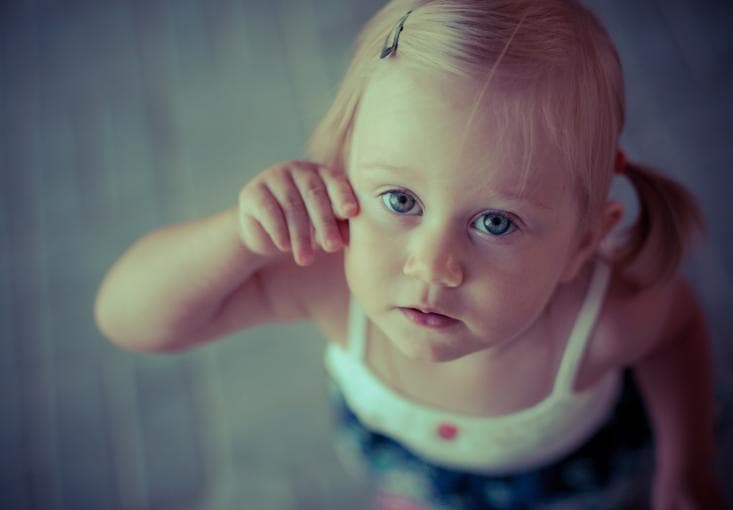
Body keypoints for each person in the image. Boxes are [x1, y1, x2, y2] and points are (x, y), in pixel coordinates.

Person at [94, 1, 726, 508]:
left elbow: (675, 334)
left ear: (582, 243)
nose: (432, 265)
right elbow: (130, 322)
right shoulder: (325, 280)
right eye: (399, 200)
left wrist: (686, 464)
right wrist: (238, 235)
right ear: (341, 176)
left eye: (495, 221)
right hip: (408, 452)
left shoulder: (603, 319)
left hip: (566, 480)